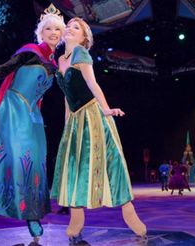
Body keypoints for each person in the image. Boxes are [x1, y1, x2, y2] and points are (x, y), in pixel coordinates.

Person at [50, 17, 147, 245]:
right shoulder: (60, 59)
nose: (70, 29)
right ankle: (76, 220)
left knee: (108, 164)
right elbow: (67, 96)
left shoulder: (81, 54)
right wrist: (67, 125)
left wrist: (106, 109)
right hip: (74, 121)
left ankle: (129, 213)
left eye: (77, 28)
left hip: (92, 115)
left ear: (84, 38)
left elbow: (93, 85)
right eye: (70, 26)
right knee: (73, 167)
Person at [0, 4, 65, 245]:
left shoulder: (55, 63)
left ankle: (31, 214)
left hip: (34, 117)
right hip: (13, 112)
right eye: (49, 29)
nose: (53, 33)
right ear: (41, 32)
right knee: (14, 159)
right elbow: (2, 71)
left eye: (58, 29)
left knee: (35, 165)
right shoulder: (30, 52)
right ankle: (20, 210)